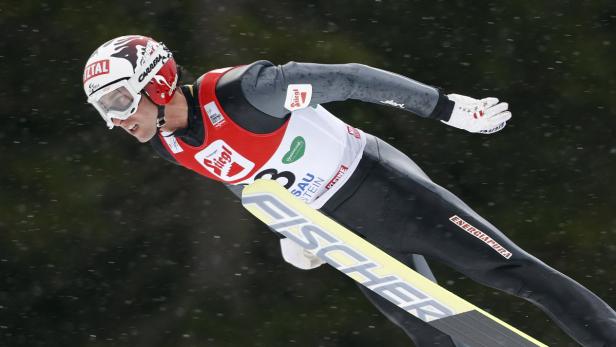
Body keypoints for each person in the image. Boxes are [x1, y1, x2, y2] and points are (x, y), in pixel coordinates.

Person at [83, 35, 616, 347]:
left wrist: (449, 108)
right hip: (344, 233)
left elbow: (352, 78)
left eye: (119, 102)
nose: (117, 121)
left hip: (384, 189)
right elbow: (236, 173)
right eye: (104, 110)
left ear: (157, 82)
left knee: (515, 274)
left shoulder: (247, 93)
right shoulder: (165, 142)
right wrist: (290, 227)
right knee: (433, 332)